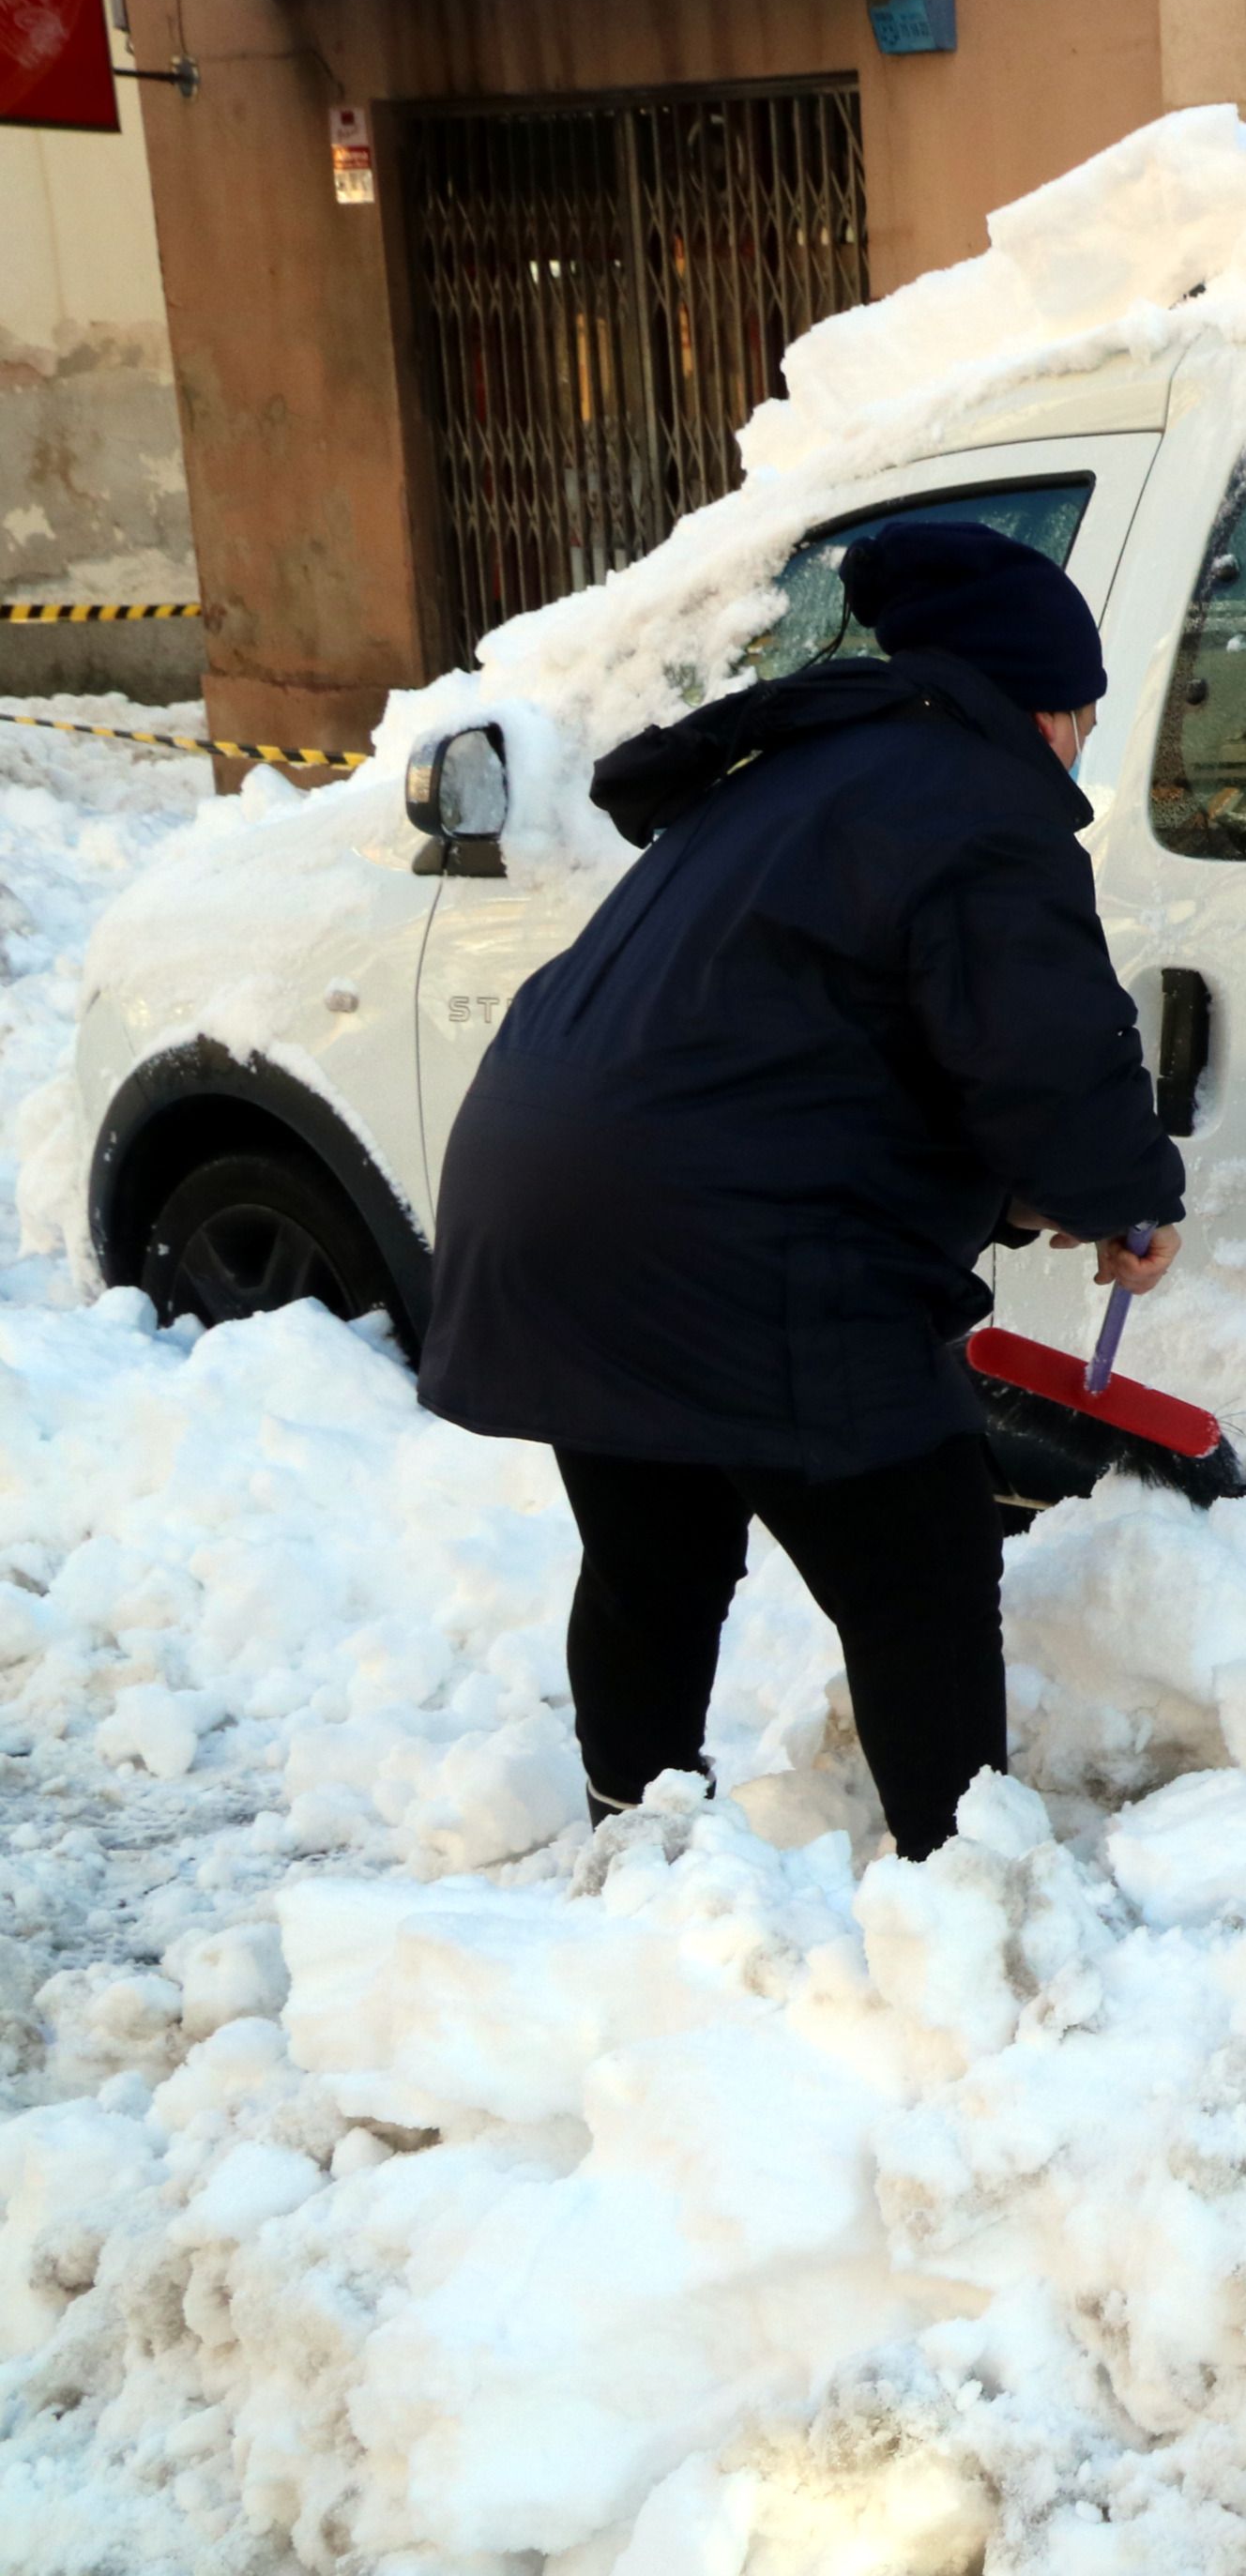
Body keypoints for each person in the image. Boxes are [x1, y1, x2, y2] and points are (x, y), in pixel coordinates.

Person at [418, 521, 1185, 1858]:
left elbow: (837, 1042)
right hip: (730, 1240)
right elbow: (1043, 1052)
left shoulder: (797, 771)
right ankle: (961, 1884)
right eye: (1084, 711)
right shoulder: (983, 808)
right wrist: (1123, 1198)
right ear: (1041, 700)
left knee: (652, 1554)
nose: (1082, 742)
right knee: (922, 1571)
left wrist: (1017, 1195)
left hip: (552, 1201)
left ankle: (635, 1841)